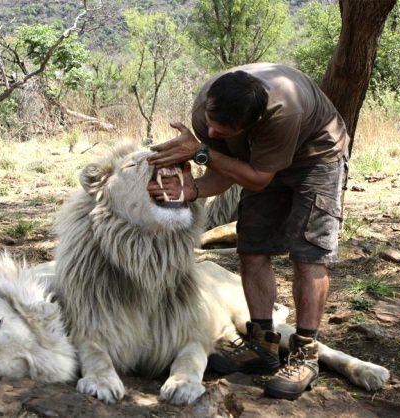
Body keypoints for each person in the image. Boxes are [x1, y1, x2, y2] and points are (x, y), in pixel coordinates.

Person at [147, 63, 349, 400]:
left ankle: (305, 354)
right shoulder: (208, 110)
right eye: (210, 125)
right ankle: (262, 346)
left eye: (223, 130)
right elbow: (225, 168)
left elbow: (256, 177)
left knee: (308, 254)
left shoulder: (282, 113)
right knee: (252, 248)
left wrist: (200, 151)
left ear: (253, 123)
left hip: (316, 157)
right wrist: (191, 190)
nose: (210, 132)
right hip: (261, 161)